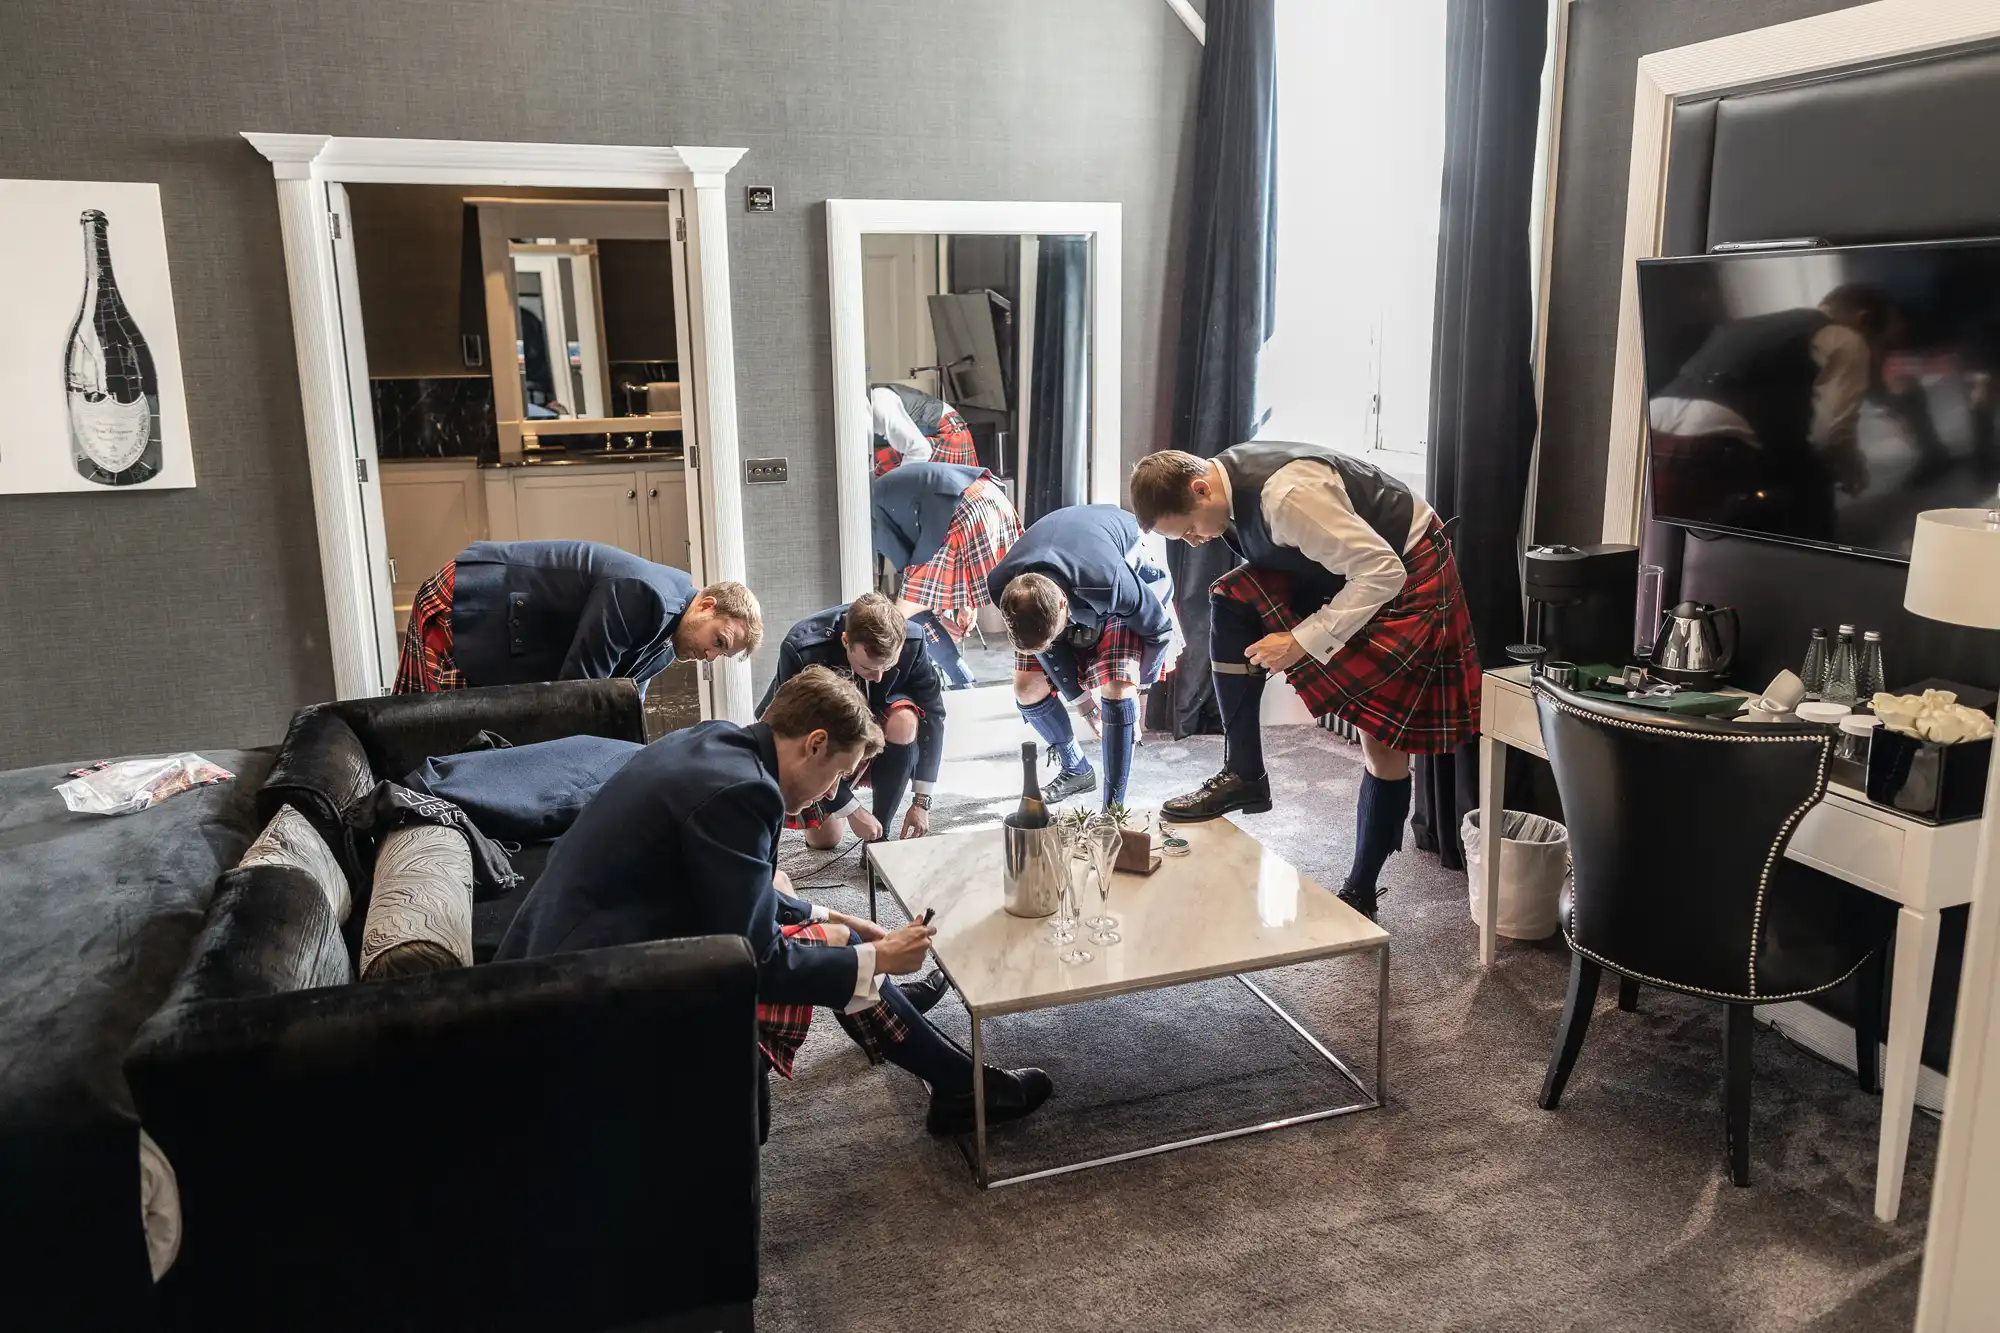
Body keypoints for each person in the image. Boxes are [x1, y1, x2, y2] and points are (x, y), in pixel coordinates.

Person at [497, 665, 1052, 1135]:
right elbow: (760, 963)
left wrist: (831, 913)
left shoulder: (717, 742)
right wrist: (876, 957)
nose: (832, 795)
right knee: (842, 952)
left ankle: (958, 1084)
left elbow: (731, 885)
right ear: (814, 744)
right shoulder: (746, 793)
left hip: (578, 946)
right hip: (591, 986)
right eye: (838, 775)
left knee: (834, 935)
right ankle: (962, 1085)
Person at [1128, 443, 1481, 919]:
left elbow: (1382, 572)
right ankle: (1245, 775)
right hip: (1340, 567)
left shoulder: (1287, 498)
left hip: (1407, 571)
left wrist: (1298, 640)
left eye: (1189, 528)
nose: (1192, 540)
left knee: (1381, 743)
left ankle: (1361, 890)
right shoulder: (1228, 485)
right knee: (1231, 598)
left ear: (1199, 486)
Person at [1647, 284, 1889, 541]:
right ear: (1864, 319)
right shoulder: (1846, 337)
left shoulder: (1744, 325)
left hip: (1650, 431)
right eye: (1881, 344)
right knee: (1812, 474)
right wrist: (1852, 472)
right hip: (1710, 448)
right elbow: (1830, 435)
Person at [988, 504, 1181, 807]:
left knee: (1119, 688)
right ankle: (1076, 768)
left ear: (1063, 605)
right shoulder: (1002, 585)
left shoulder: (1111, 582)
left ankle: (1113, 808)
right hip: (1065, 574)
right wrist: (1086, 707)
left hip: (1121, 572)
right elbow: (1045, 649)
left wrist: (1141, 690)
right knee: (1027, 687)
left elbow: (1159, 630)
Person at [395, 540, 760, 694]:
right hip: (473, 598)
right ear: (707, 605)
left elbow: (623, 704)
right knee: (429, 726)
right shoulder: (646, 596)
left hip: (506, 627)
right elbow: (580, 690)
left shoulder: (667, 642)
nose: (710, 657)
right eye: (718, 642)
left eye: (721, 655)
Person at [756, 592, 946, 847]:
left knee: (905, 719)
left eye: (887, 667)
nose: (878, 677)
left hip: (883, 725)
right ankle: (842, 794)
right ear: (846, 641)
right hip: (823, 733)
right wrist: (850, 809)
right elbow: (786, 732)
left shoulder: (913, 639)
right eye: (868, 668)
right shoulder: (802, 649)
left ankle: (880, 837)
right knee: (826, 841)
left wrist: (922, 801)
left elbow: (933, 713)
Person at [872, 459, 1023, 690]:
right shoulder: (887, 484)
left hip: (963, 515)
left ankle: (961, 684)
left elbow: (907, 566)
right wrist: (965, 603)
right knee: (917, 608)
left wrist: (938, 614)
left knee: (901, 615)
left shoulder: (868, 508)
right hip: (993, 498)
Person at [870, 383, 981, 477]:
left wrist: (897, 490)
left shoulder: (880, 404)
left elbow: (920, 451)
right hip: (919, 440)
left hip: (946, 432)